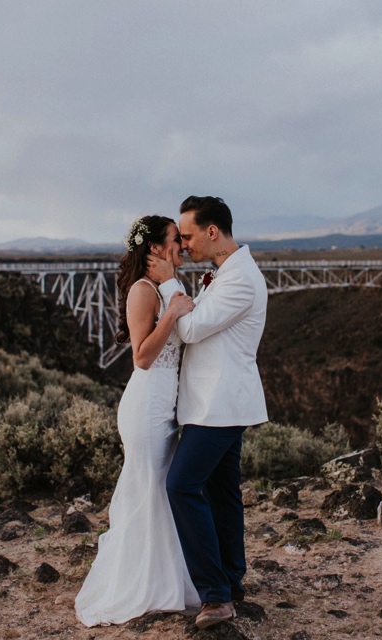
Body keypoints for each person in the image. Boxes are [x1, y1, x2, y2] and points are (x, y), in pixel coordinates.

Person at [147, 195, 268, 629]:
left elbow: (194, 327)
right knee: (222, 493)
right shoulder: (227, 273)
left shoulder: (241, 280)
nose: (184, 243)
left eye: (189, 235)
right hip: (215, 402)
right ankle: (232, 580)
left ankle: (216, 596)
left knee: (181, 486)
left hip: (220, 405)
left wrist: (168, 286)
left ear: (212, 232)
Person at [75, 215, 199, 627]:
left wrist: (183, 300)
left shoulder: (167, 287)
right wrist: (173, 313)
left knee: (160, 492)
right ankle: (144, 585)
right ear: (156, 249)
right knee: (149, 490)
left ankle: (165, 580)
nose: (182, 245)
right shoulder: (143, 292)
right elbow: (142, 357)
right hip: (146, 407)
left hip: (165, 406)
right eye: (175, 240)